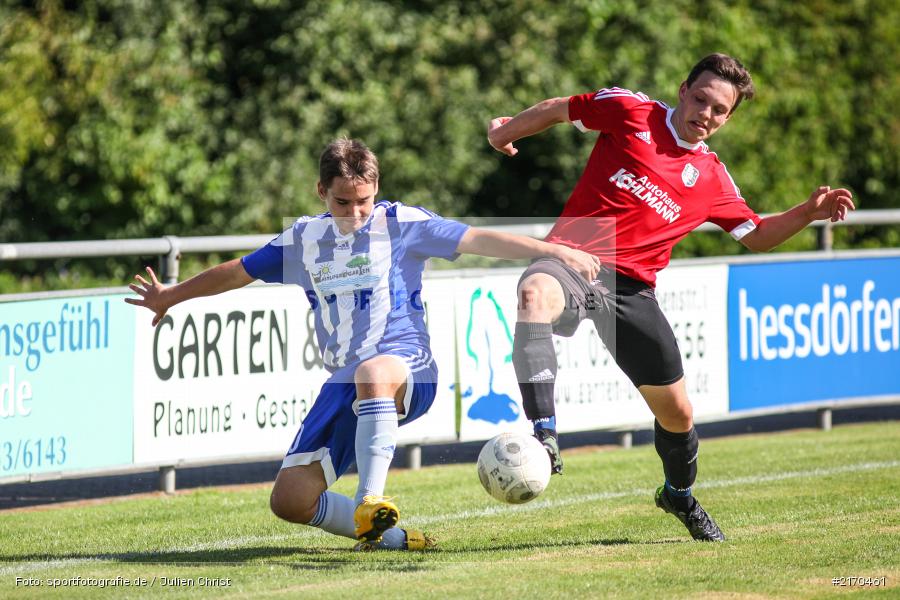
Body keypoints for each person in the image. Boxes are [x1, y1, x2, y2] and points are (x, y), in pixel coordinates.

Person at [126, 138, 600, 551]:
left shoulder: (402, 224)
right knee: (290, 501)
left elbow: (479, 239)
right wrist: (172, 294)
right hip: (344, 381)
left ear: (377, 190)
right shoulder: (304, 239)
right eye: (342, 202)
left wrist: (551, 249)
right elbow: (238, 271)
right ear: (320, 192)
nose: (354, 214)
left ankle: (370, 498)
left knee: (373, 371)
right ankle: (389, 535)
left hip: (408, 369)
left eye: (364, 202)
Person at [486, 53, 855, 541]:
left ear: (728, 118)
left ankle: (678, 495)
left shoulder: (713, 179)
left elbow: (756, 234)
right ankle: (545, 433)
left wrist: (807, 212)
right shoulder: (629, 110)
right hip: (574, 260)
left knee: (677, 414)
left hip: (633, 291)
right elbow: (559, 108)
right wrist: (505, 133)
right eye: (700, 99)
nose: (706, 113)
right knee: (533, 292)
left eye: (719, 110)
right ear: (684, 90)